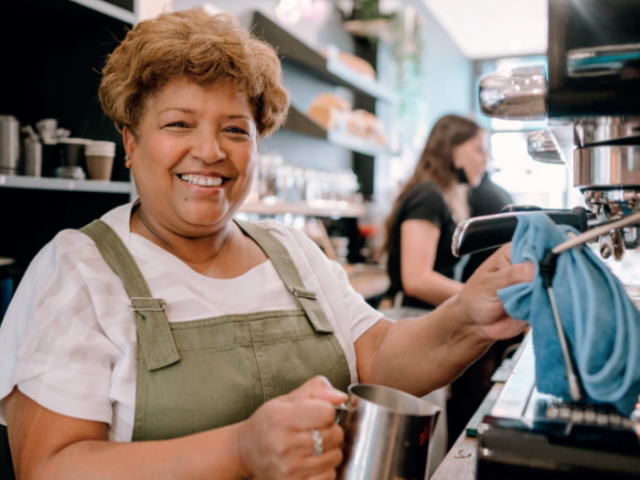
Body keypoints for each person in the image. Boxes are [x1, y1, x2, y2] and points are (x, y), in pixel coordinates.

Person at [0, 11, 533, 480]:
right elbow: (49, 467)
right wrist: (241, 450)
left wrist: (472, 317)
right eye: (179, 123)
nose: (209, 151)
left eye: (236, 130)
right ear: (131, 140)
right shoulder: (77, 272)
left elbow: (377, 356)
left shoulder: (293, 252)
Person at [383, 115, 487, 311]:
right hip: (410, 319)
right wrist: (475, 295)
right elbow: (416, 279)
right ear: (452, 149)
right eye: (479, 150)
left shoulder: (448, 195)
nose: (486, 159)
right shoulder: (428, 195)